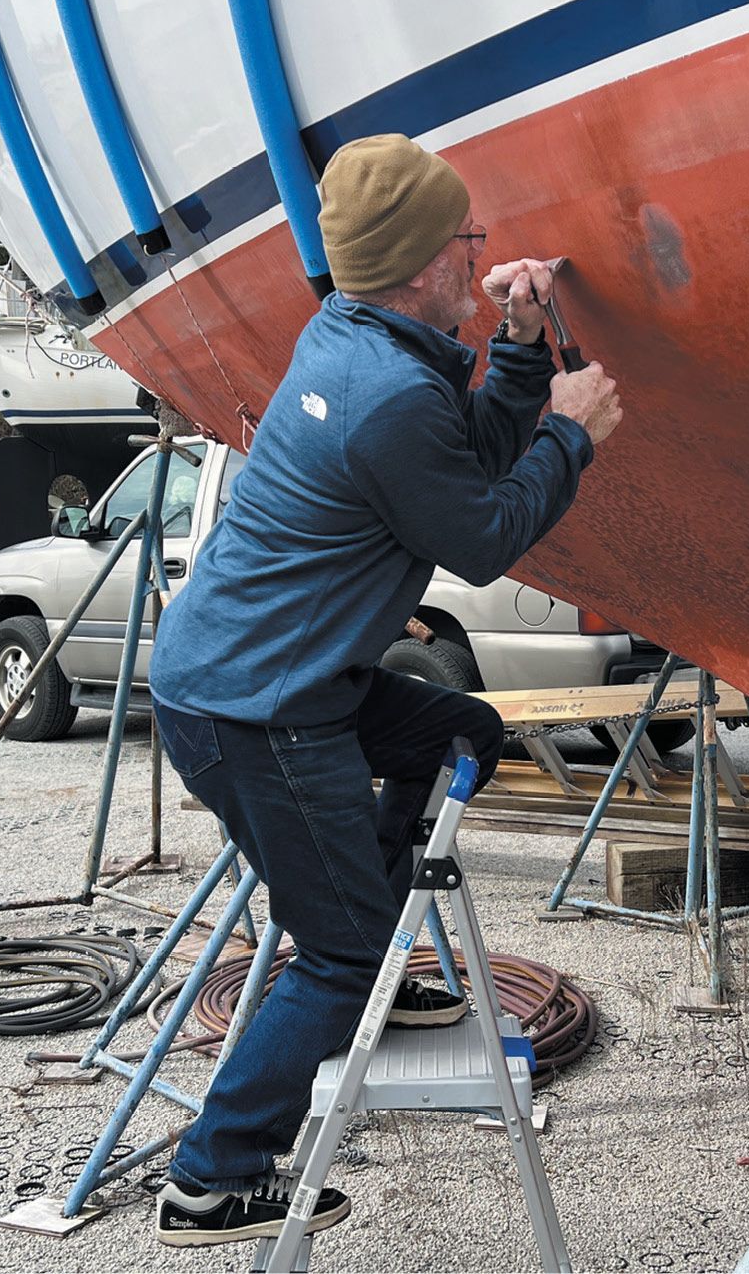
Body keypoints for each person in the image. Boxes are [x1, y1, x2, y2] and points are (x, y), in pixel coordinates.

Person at [146, 133, 623, 1248]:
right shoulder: (384, 391)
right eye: (467, 240)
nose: (481, 250)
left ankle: (369, 924)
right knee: (339, 953)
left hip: (261, 678)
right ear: (418, 261)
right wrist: (571, 434)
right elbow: (482, 532)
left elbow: (452, 456)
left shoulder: (362, 338)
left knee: (455, 727)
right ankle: (211, 1178)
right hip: (258, 710)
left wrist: (515, 345)